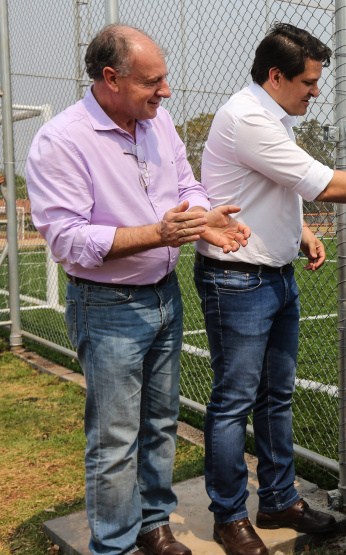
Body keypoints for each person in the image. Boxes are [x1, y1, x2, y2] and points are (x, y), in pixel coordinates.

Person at [196, 23, 346, 555]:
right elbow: (322, 182)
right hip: (237, 280)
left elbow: (269, 185)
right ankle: (229, 516)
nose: (314, 91)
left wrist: (299, 230)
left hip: (274, 275)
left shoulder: (273, 117)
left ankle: (280, 498)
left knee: (276, 398)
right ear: (276, 75)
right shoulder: (247, 118)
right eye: (308, 81)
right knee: (234, 402)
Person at [25, 25, 251, 555]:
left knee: (160, 424)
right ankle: (115, 544)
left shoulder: (158, 122)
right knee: (115, 440)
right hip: (107, 306)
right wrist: (159, 233)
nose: (165, 92)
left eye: (164, 79)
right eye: (153, 82)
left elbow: (188, 185)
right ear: (111, 78)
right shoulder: (61, 140)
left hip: (163, 294)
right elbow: (66, 240)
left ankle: (154, 526)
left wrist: (201, 219)